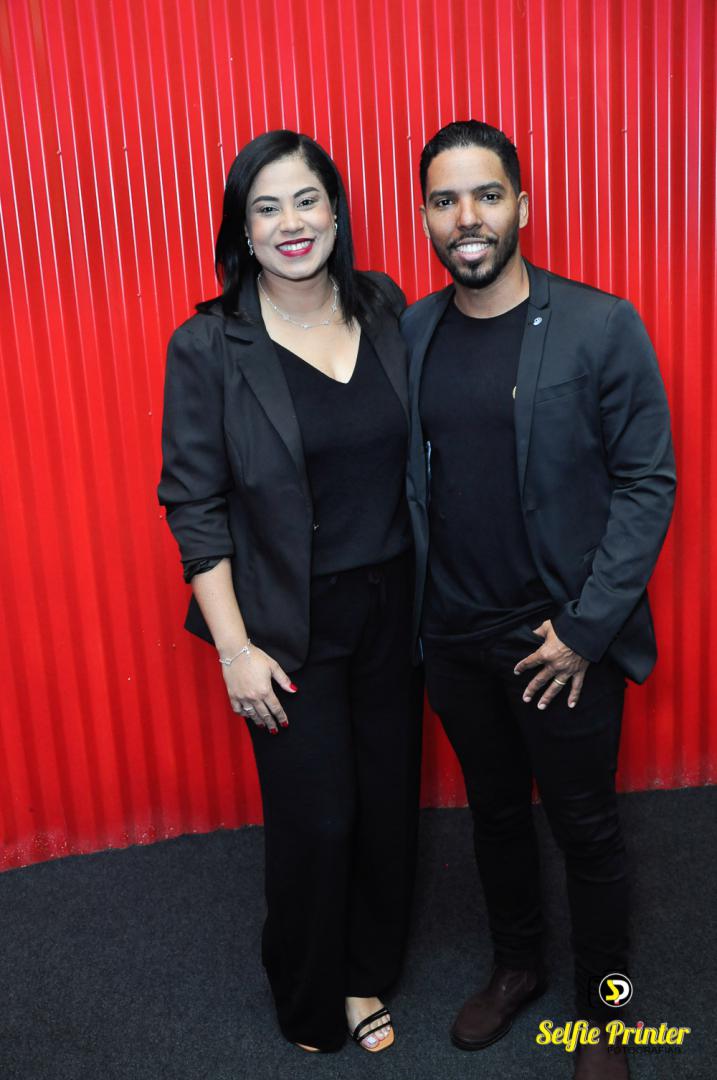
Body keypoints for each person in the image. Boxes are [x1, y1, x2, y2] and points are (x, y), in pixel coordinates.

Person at [402, 120, 675, 1079]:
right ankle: (517, 965)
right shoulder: (412, 332)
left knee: (586, 830)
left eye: (485, 195)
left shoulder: (601, 326)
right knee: (494, 816)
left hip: (559, 642)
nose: (466, 218)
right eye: (444, 200)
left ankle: (607, 1013)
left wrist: (586, 629)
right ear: (424, 216)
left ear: (521, 203)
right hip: (453, 638)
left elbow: (647, 483)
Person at [158, 130, 422, 1054]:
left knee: (386, 806)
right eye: (264, 208)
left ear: (336, 212)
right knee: (317, 820)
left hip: (395, 606)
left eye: (305, 200)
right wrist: (235, 650)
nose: (290, 223)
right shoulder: (208, 343)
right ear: (243, 229)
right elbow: (194, 504)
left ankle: (364, 974)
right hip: (283, 621)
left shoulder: (383, 306)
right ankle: (308, 997)